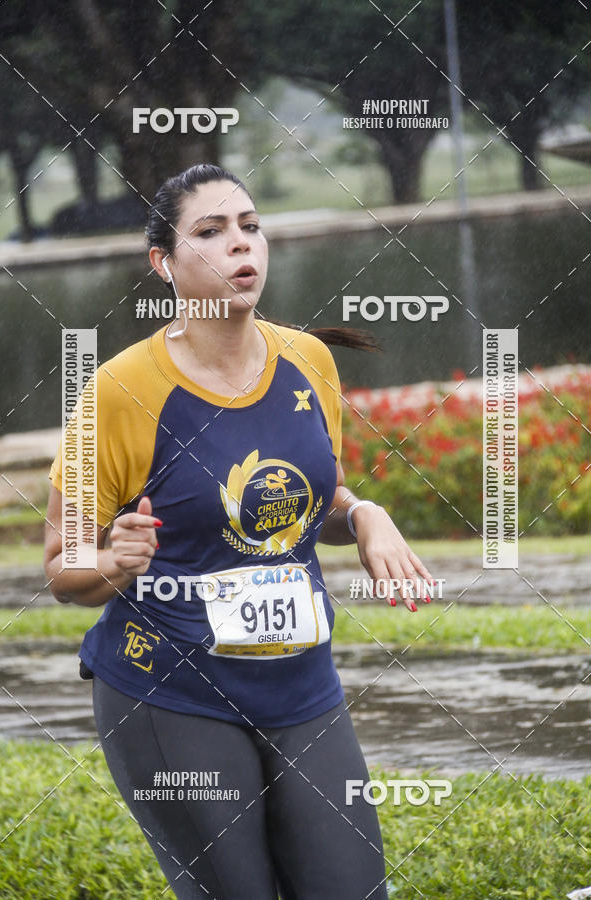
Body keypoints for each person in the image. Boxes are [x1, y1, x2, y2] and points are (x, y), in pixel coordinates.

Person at [44, 164, 434, 899]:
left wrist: (362, 513)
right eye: (211, 232)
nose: (239, 245)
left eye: (250, 227)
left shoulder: (309, 362)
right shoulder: (121, 393)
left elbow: (299, 498)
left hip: (302, 685)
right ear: (163, 262)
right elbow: (64, 567)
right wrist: (116, 562)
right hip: (172, 694)